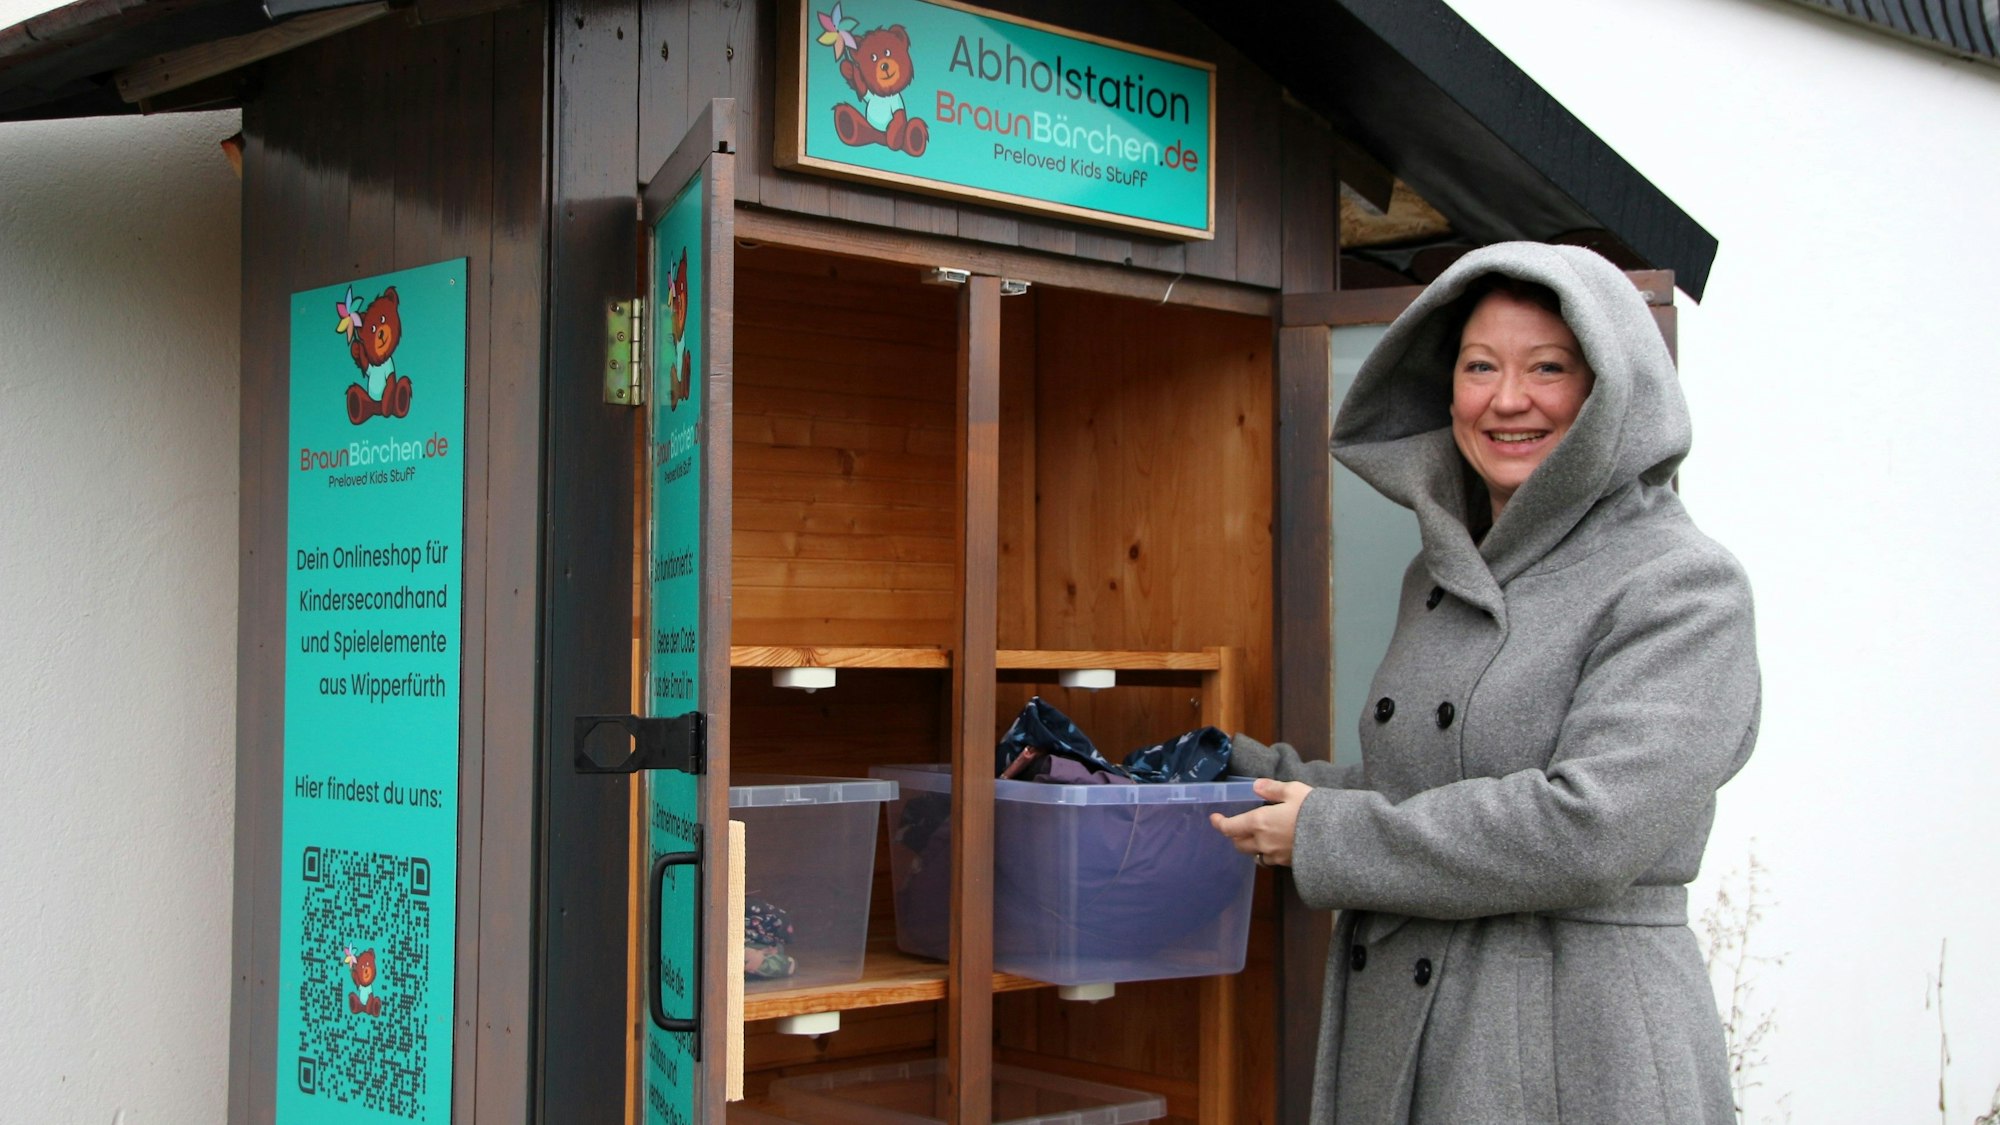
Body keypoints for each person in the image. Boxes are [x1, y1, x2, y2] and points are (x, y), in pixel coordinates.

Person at [1211, 242, 1759, 1123]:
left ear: (1612, 390)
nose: (1507, 400)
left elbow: (1590, 829)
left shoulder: (1681, 582)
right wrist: (1245, 776)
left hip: (1579, 1043)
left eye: (1548, 367)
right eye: (1479, 367)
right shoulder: (1441, 572)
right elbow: (1425, 786)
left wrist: (1324, 832)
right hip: (1420, 1030)